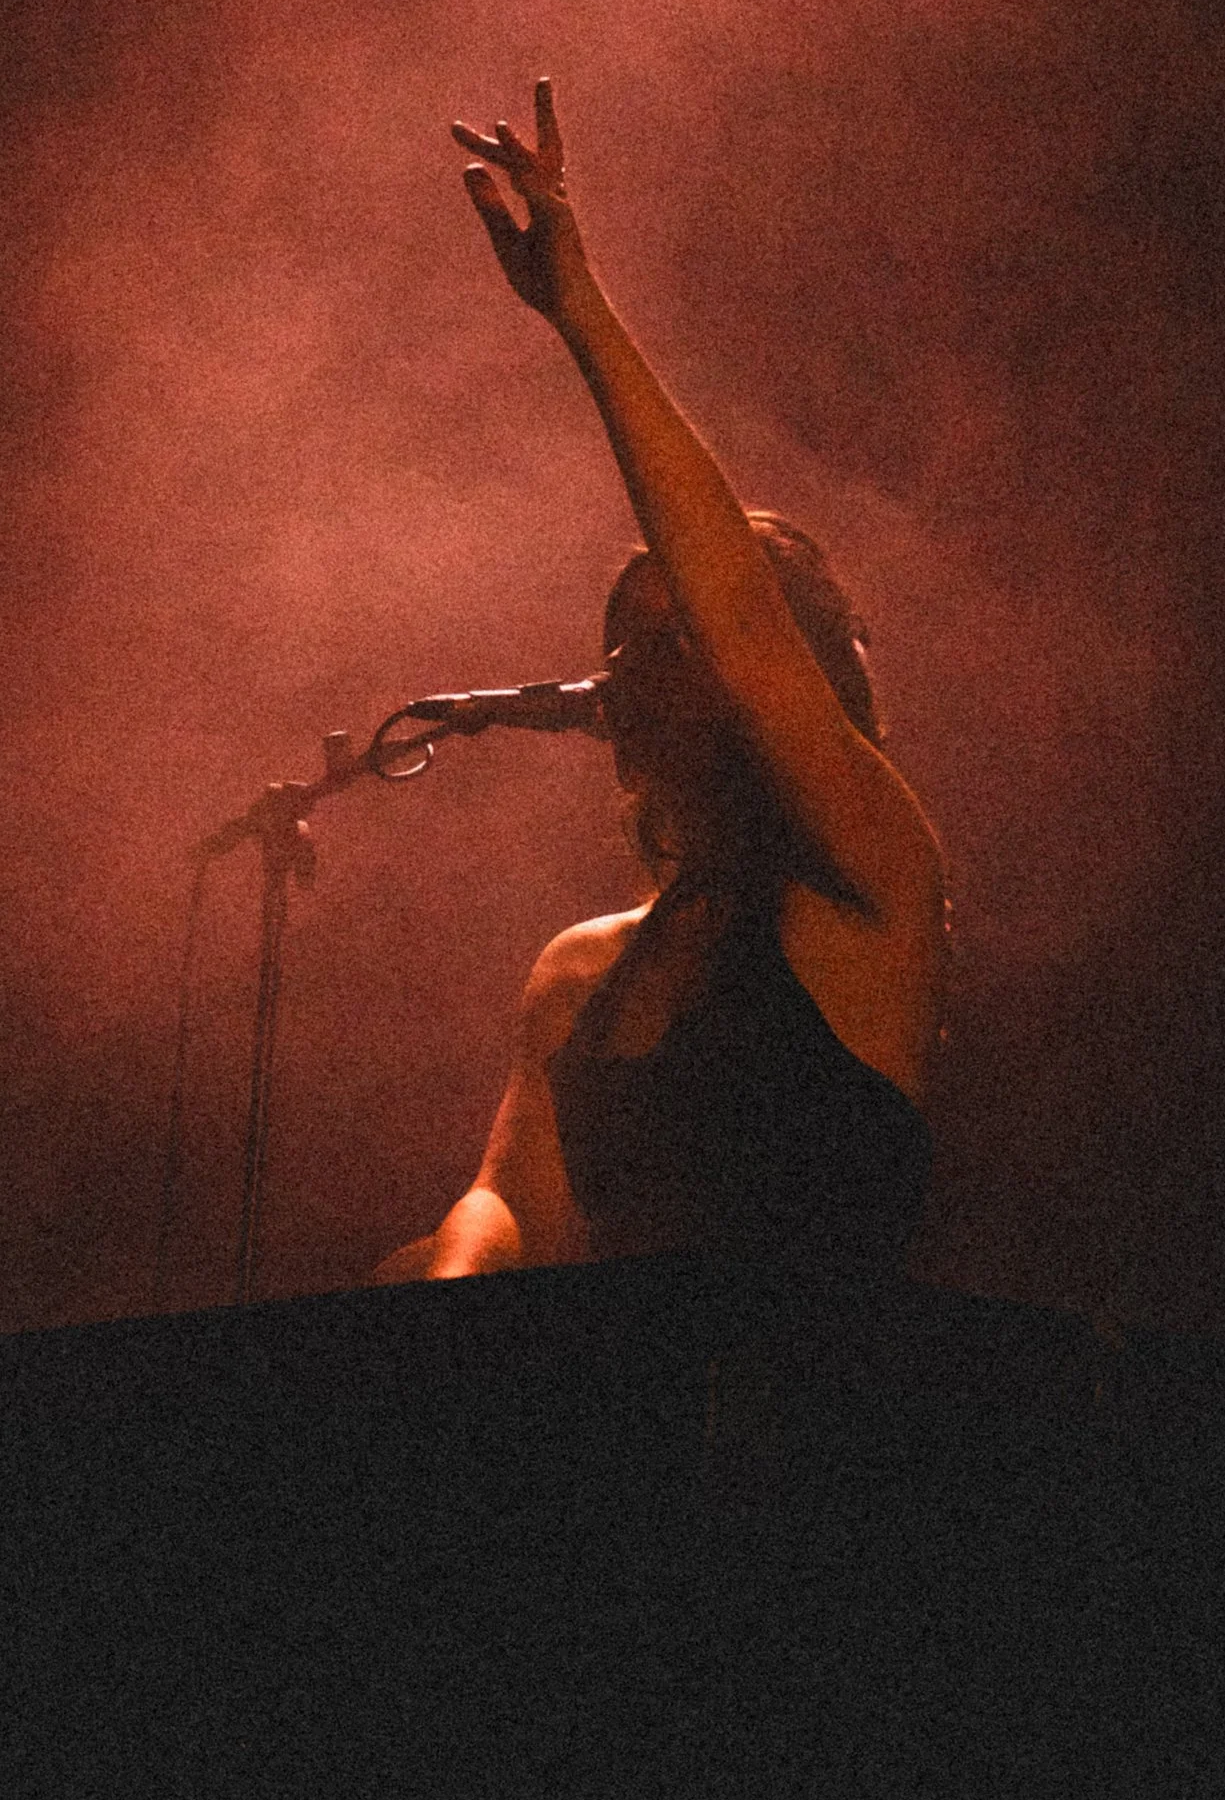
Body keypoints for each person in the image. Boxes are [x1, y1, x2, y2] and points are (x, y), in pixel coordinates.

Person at [376, 81, 949, 1283]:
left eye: (677, 632)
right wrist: (450, 1271)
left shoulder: (872, 878)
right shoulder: (578, 971)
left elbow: (739, 618)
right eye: (627, 634)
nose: (642, 661)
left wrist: (577, 310)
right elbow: (507, 1194)